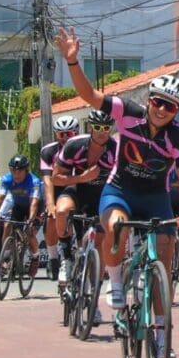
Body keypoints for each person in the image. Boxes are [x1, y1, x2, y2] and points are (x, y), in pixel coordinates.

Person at [55, 26, 179, 358]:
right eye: (159, 102)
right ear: (149, 101)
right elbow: (90, 97)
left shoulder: (178, 138)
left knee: (164, 254)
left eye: (171, 107)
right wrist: (73, 63)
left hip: (155, 198)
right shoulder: (127, 113)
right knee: (117, 225)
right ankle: (115, 283)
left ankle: (161, 334)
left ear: (177, 112)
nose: (162, 110)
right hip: (120, 190)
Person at [52, 109, 118, 323]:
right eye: (97, 128)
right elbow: (56, 178)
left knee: (97, 248)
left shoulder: (116, 149)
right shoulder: (74, 146)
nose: (101, 132)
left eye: (106, 128)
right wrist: (81, 177)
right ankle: (66, 257)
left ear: (111, 129)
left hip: (103, 196)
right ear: (90, 127)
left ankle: (93, 302)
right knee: (61, 211)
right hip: (77, 190)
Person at [40, 115, 81, 278]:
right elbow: (47, 179)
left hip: (78, 187)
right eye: (60, 134)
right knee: (52, 218)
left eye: (69, 134)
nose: (64, 138)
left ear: (76, 134)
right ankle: (53, 258)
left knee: (81, 224)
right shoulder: (48, 151)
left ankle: (81, 259)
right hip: (56, 188)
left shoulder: (84, 146)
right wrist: (50, 204)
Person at [0, 155, 43, 275]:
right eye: (13, 170)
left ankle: (35, 257)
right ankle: (6, 257)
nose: (16, 174)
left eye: (20, 170)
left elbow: (34, 203)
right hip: (18, 206)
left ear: (26, 170)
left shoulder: (33, 181)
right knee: (7, 225)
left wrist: (31, 220)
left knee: (30, 233)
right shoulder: (6, 179)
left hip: (35, 206)